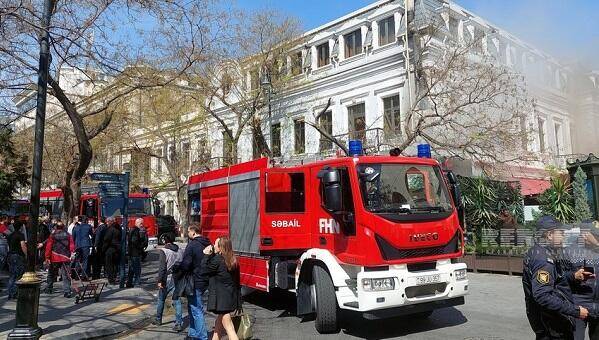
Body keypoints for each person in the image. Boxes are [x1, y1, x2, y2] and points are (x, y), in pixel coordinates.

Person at [523, 216, 592, 339]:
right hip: (552, 324)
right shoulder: (543, 259)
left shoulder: (541, 251)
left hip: (550, 321)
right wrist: (575, 311)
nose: (564, 236)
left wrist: (573, 276)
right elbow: (542, 295)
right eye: (561, 233)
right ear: (549, 235)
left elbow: (554, 279)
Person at [202, 237, 241, 340]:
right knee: (218, 325)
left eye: (215, 244)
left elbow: (203, 270)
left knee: (230, 329)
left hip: (221, 300)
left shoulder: (218, 260)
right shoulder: (233, 259)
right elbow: (237, 282)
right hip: (230, 297)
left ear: (220, 247)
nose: (213, 246)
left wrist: (206, 255)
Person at [567, 220, 599, 340]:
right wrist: (573, 276)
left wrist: (596, 245)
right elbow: (560, 277)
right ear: (584, 234)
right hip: (578, 308)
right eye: (595, 235)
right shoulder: (569, 251)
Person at [180, 226, 211, 340]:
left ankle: (202, 337)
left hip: (194, 280)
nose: (187, 233)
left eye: (188, 231)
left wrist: (179, 269)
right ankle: (192, 333)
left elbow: (186, 264)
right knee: (192, 307)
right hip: (205, 279)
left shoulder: (192, 245)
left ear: (193, 232)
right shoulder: (208, 243)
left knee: (196, 309)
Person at [153, 233, 184, 331]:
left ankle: (158, 319)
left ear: (165, 241)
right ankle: (179, 323)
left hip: (167, 278)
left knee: (161, 299)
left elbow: (162, 268)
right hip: (177, 277)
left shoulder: (164, 251)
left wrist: (160, 280)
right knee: (177, 300)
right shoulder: (180, 250)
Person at [44, 221, 75, 297]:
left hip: (55, 257)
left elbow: (49, 247)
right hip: (65, 257)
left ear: (56, 227)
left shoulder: (53, 235)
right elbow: (72, 246)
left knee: (51, 273)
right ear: (63, 227)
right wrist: (72, 253)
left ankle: (49, 288)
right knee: (66, 275)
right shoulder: (68, 235)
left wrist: (47, 257)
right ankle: (67, 291)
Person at [6, 221, 27, 299]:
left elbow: (9, 245)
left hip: (11, 255)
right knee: (18, 274)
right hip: (17, 256)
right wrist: (26, 254)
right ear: (21, 227)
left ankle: (10, 292)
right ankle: (14, 292)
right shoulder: (20, 235)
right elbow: (23, 246)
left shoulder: (10, 235)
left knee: (12, 274)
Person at [102, 217, 122, 285]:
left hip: (110, 249)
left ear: (110, 222)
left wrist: (103, 249)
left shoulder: (110, 230)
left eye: (107, 222)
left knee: (109, 265)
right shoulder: (118, 229)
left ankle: (111, 279)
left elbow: (106, 240)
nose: (106, 223)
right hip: (117, 249)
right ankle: (114, 277)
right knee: (115, 265)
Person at [126, 218, 144, 287]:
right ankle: (137, 283)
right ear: (137, 223)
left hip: (132, 252)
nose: (142, 225)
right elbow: (134, 241)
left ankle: (129, 283)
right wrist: (141, 246)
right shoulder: (135, 231)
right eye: (141, 223)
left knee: (132, 269)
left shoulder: (132, 230)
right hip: (135, 253)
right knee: (137, 269)